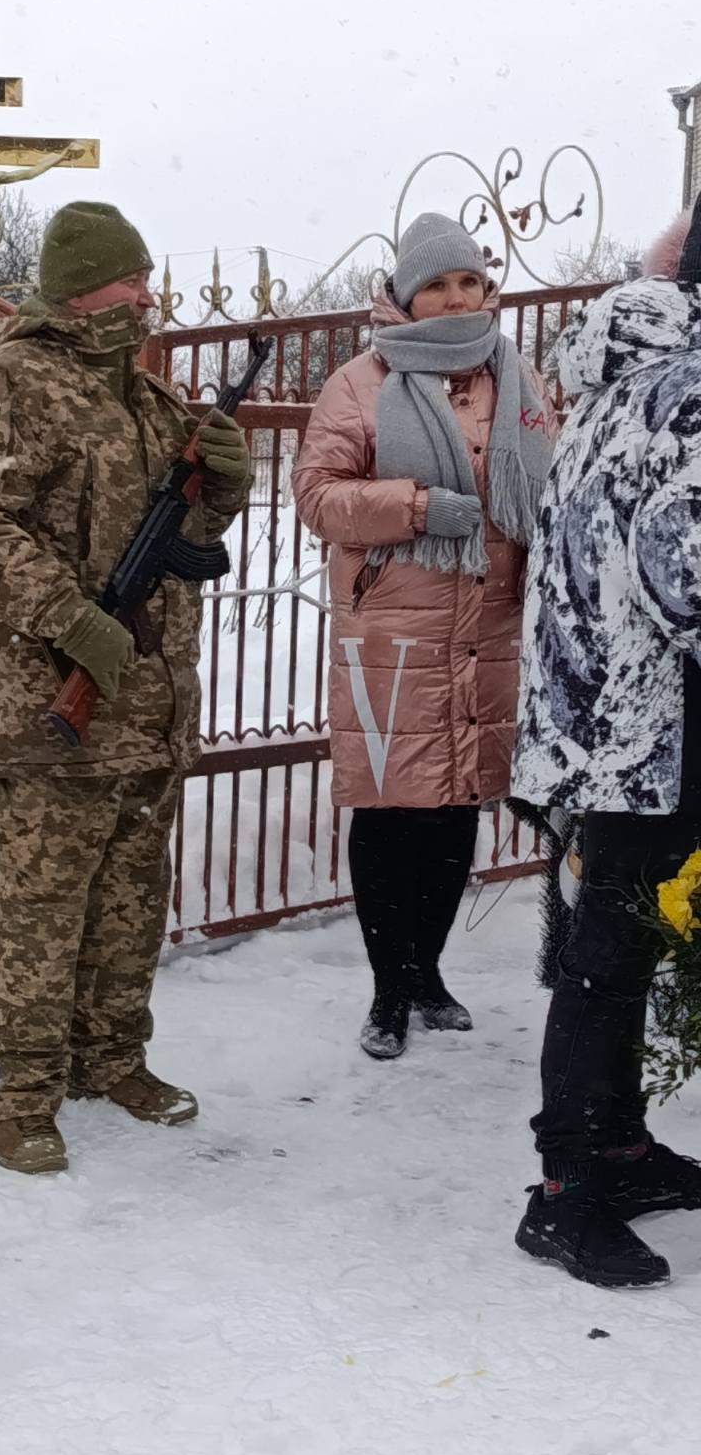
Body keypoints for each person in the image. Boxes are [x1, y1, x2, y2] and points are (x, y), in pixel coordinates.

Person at [0, 201, 253, 1175]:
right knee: (39, 906)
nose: (146, 298)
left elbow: (190, 550)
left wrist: (220, 490)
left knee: (130, 897)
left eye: (147, 279)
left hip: (148, 714)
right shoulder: (4, 384)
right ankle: (23, 1088)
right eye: (127, 281)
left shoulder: (152, 405)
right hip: (50, 712)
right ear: (75, 291)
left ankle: (113, 1057)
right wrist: (70, 619)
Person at [293, 213, 557, 1060]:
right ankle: (387, 989)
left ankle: (430, 972)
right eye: (438, 283)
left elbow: (548, 486)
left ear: (487, 291)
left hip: (490, 625)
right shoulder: (361, 383)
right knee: (388, 805)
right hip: (394, 630)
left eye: (469, 282)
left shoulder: (518, 379)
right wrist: (413, 508)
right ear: (406, 293)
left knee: (454, 807)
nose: (455, 297)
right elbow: (318, 497)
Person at [511, 196, 701, 1289]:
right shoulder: (686, 393)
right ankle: (567, 1193)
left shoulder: (618, 382)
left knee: (611, 956)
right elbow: (687, 571)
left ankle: (616, 1149)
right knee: (608, 964)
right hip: (648, 732)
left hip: (607, 721)